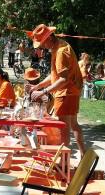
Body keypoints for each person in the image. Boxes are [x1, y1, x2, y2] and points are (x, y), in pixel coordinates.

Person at [28, 24, 86, 156]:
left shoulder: (60, 51)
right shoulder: (59, 46)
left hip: (66, 92)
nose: (42, 46)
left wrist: (43, 92)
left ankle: (62, 160)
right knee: (73, 125)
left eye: (42, 43)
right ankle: (83, 155)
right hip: (70, 91)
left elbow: (63, 79)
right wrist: (38, 86)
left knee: (62, 128)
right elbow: (55, 75)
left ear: (48, 38)